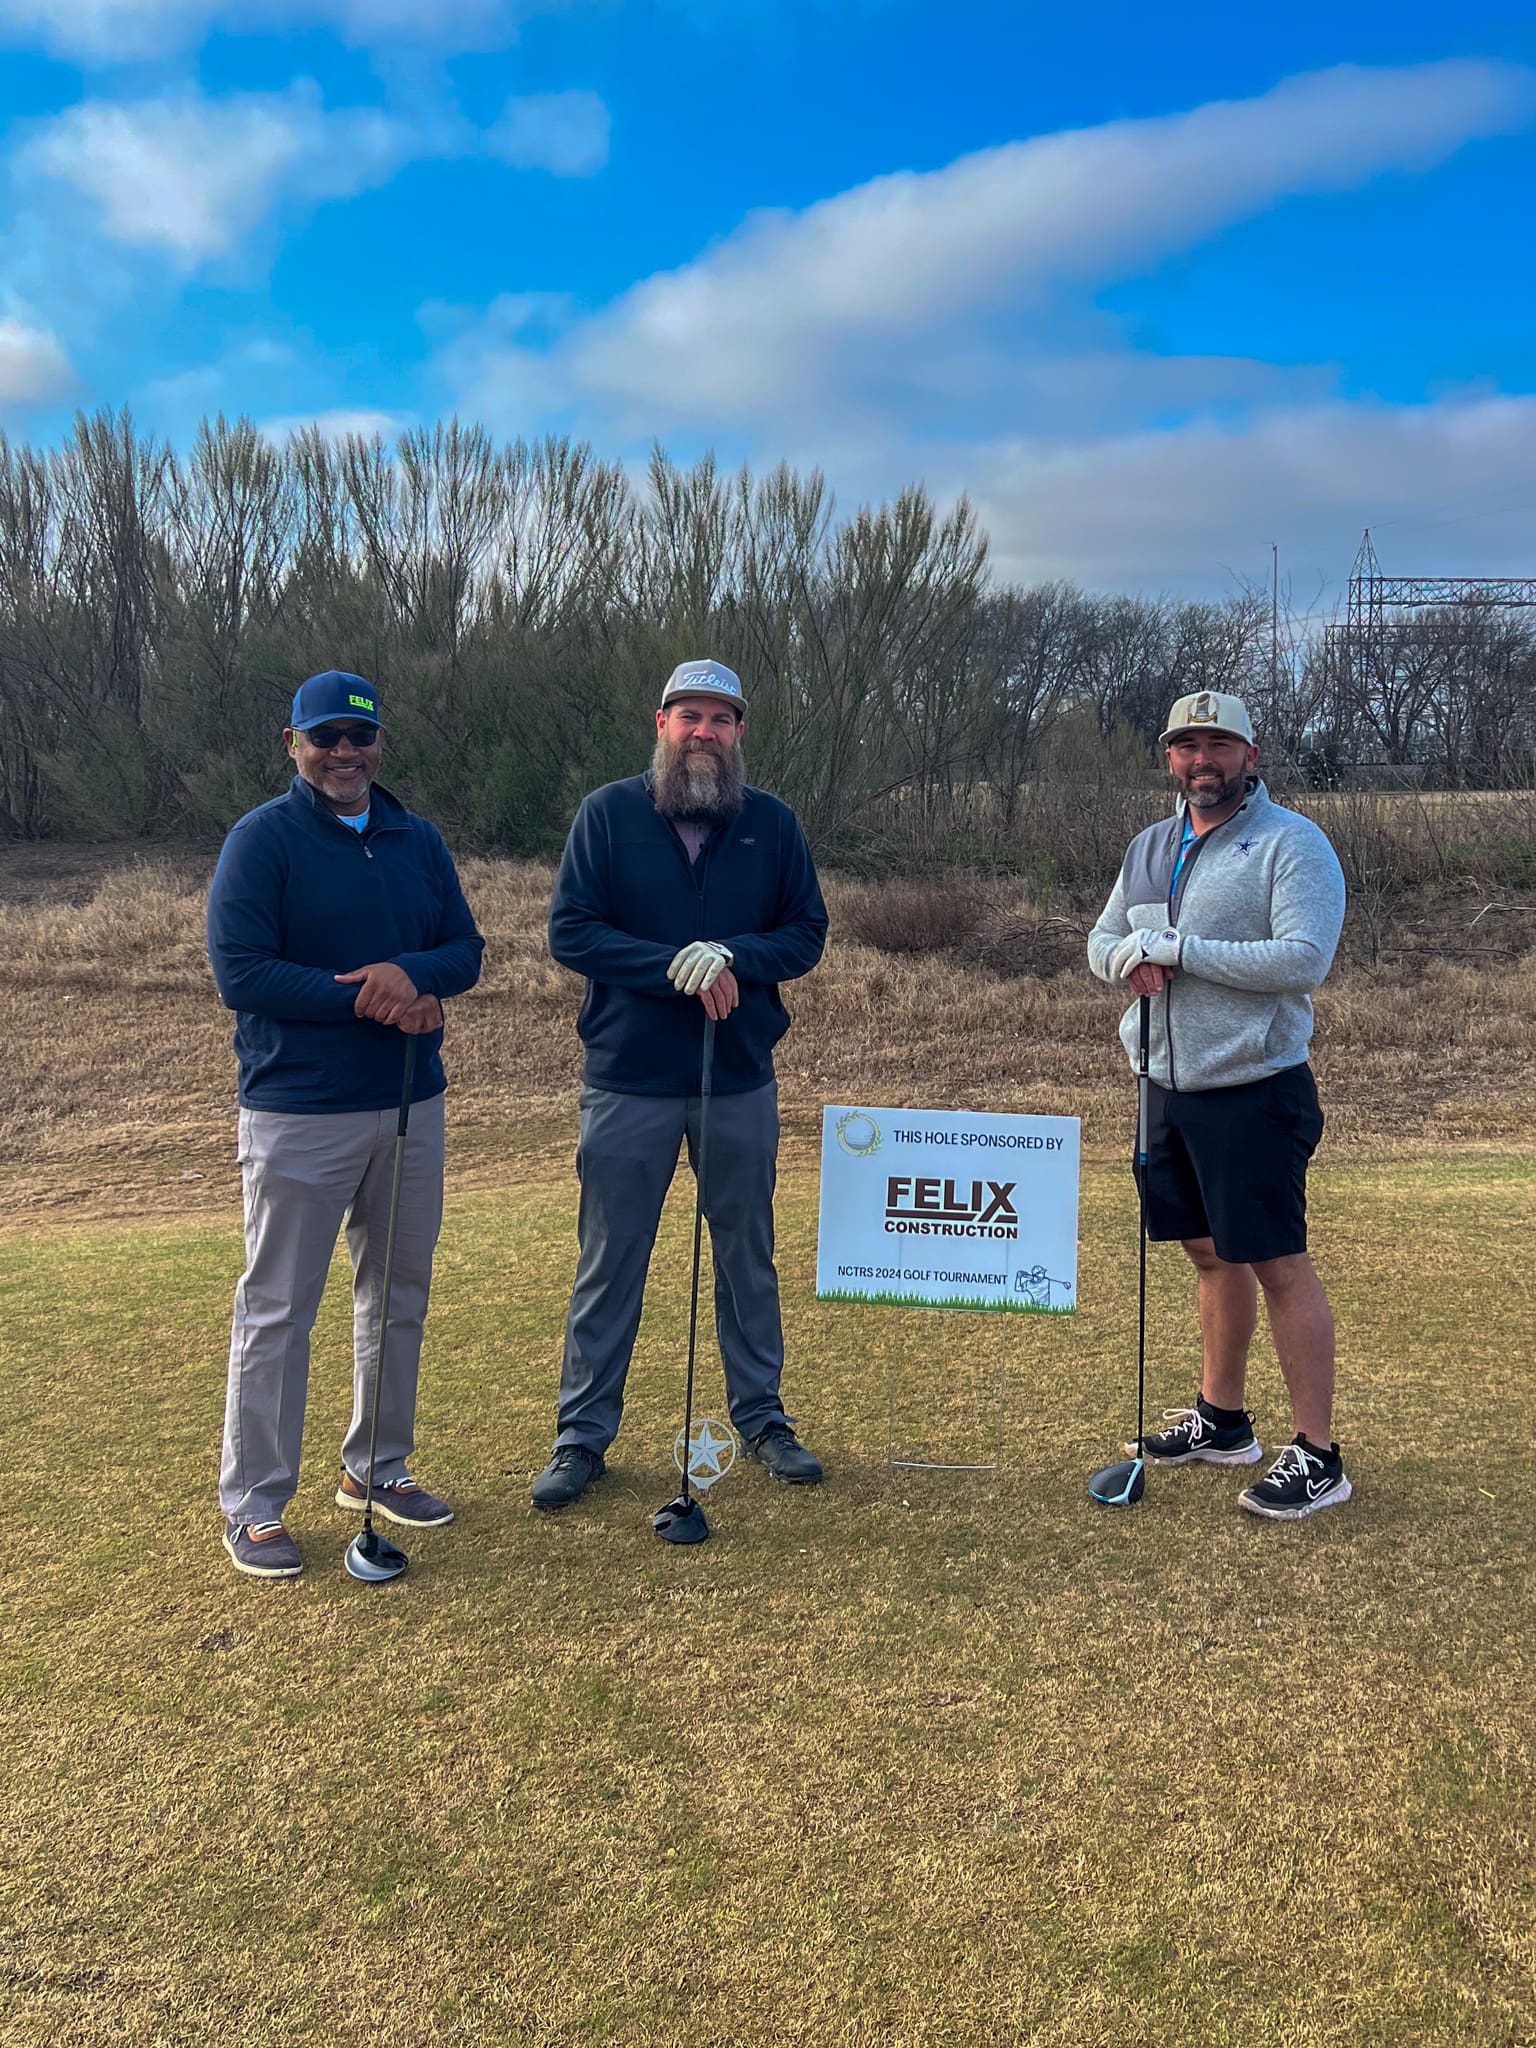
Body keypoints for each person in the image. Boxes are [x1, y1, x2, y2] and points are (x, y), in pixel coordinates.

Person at [533, 657, 829, 1509]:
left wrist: (735, 956)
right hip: (628, 1079)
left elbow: (806, 932)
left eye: (722, 719)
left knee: (747, 1257)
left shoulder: (771, 825)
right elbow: (573, 932)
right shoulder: (608, 815)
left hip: (737, 1077)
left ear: (740, 734)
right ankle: (582, 1436)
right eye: (689, 716)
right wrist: (672, 967)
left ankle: (763, 1420)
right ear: (660, 723)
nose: (705, 733)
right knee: (610, 1259)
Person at [207, 670, 484, 1577]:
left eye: (359, 737)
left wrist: (414, 973)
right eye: (324, 736)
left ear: (379, 745)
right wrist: (372, 994)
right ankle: (253, 1506)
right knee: (279, 1310)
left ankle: (378, 1468)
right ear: (292, 743)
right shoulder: (263, 840)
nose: (343, 752)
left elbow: (464, 951)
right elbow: (243, 973)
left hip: (410, 1105)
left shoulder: (417, 838)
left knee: (397, 1296)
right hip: (298, 1113)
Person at [1087, 690, 1350, 1520]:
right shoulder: (1152, 844)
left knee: (1276, 1261)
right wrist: (1127, 957)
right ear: (1169, 757)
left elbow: (1304, 958)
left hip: (1254, 1089)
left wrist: (1186, 951)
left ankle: (1318, 1454)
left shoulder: (1291, 843)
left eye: (1219, 746)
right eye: (1186, 746)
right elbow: (1099, 942)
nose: (1202, 761)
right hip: (1164, 1084)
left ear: (1251, 754)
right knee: (1208, 1256)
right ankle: (1222, 1419)